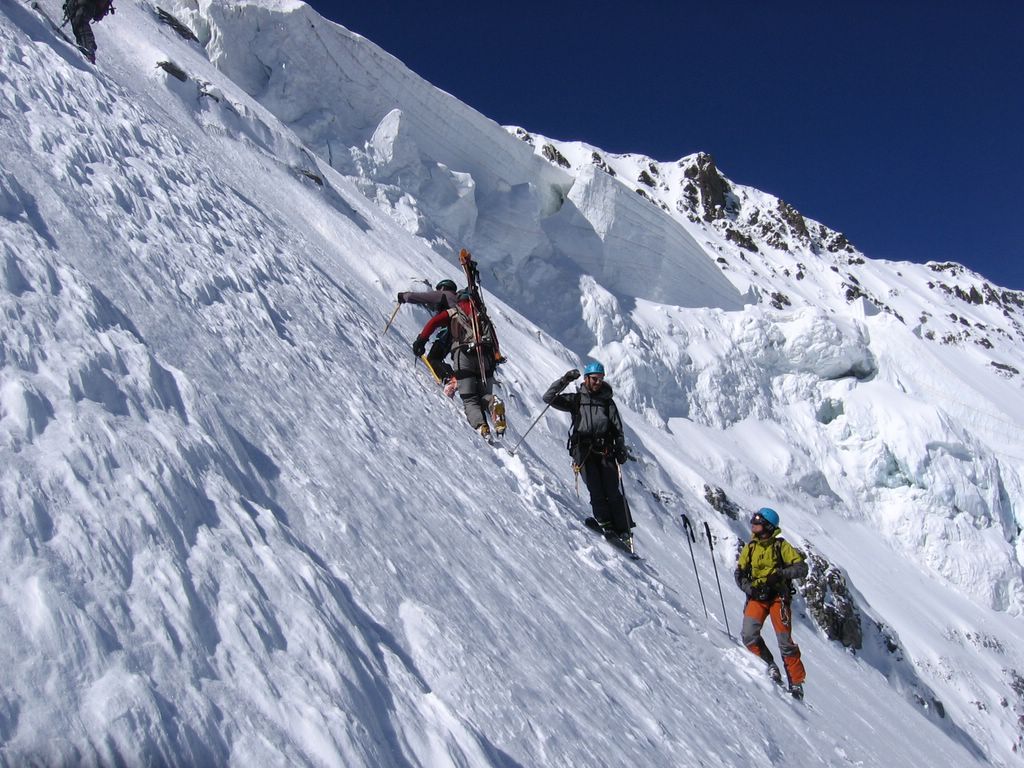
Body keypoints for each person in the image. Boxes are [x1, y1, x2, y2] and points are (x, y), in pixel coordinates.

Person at [543, 362, 631, 538]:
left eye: (600, 379)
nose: (598, 382)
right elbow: (549, 397)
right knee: (595, 488)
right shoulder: (577, 400)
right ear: (586, 379)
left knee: (612, 489)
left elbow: (617, 428)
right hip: (583, 451)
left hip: (605, 449)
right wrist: (565, 380)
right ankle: (606, 523)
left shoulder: (607, 402)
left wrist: (620, 447)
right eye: (594, 379)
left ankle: (623, 529)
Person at [734, 507, 809, 699]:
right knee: (748, 635)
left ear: (767, 526)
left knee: (785, 641)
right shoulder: (751, 547)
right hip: (757, 596)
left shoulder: (780, 546)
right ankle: (769, 665)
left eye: (758, 522)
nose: (753, 524)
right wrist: (751, 589)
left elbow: (801, 568)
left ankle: (796, 683)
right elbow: (739, 574)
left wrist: (780, 575)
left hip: (778, 598)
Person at [412, 288, 505, 437]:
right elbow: (494, 342)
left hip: (464, 355)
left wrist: (421, 341)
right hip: (485, 358)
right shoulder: (482, 315)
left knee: (469, 398)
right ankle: (493, 402)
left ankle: (482, 427)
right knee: (483, 396)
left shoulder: (454, 312)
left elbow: (433, 323)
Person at [398, 279, 458, 392]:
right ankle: (451, 377)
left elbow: (424, 297)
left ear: (443, 288)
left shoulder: (445, 294)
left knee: (433, 358)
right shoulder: (457, 301)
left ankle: (449, 378)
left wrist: (404, 296)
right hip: (460, 336)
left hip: (450, 331)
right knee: (438, 357)